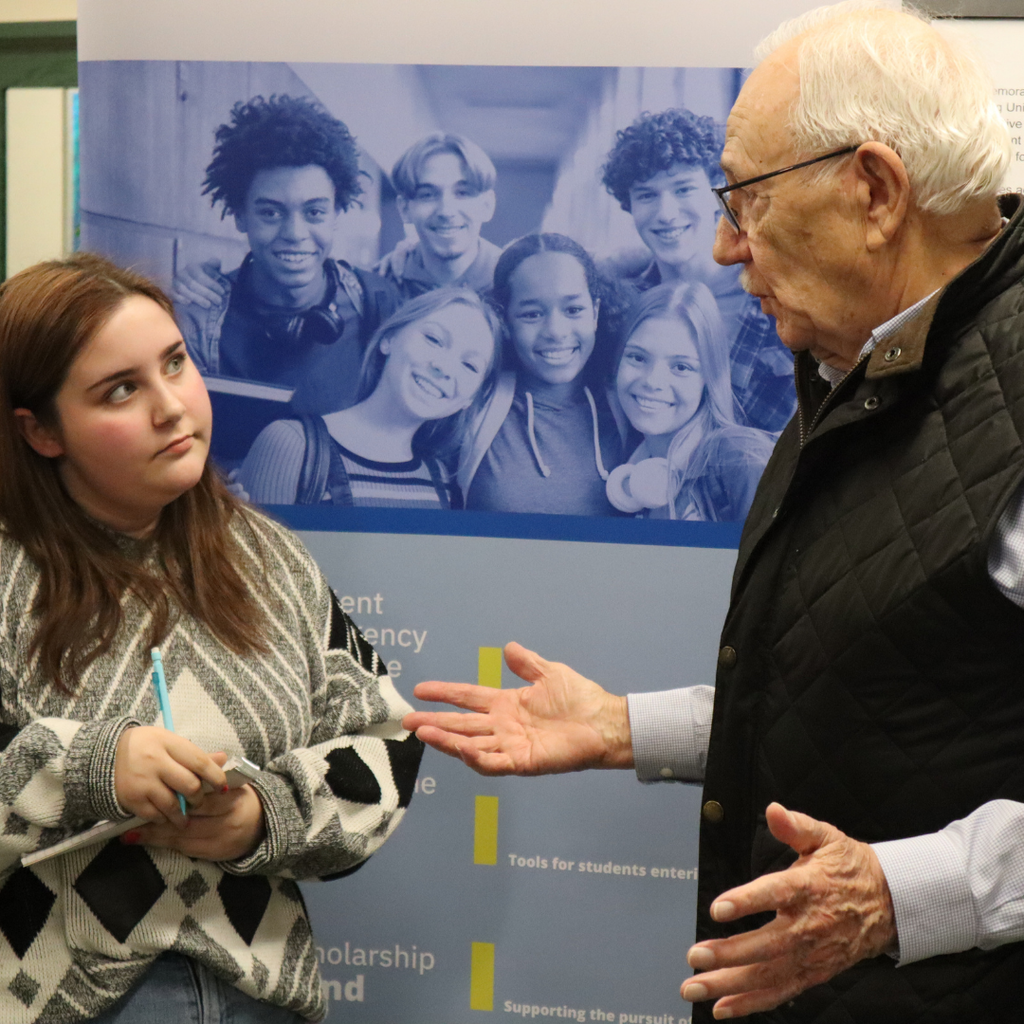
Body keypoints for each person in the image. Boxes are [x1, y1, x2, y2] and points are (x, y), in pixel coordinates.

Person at [404, 3, 1024, 1021]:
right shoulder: (861, 368)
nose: (725, 248)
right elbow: (859, 687)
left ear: (872, 191)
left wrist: (896, 897)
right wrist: (619, 726)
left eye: (746, 201)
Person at [0, 252, 421, 1023]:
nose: (172, 406)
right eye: (120, 390)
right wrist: (83, 767)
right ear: (41, 431)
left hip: (259, 996)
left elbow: (387, 743)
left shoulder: (270, 557)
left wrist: (266, 815)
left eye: (175, 363)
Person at [173, 94, 400, 416]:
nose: (295, 233)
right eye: (270, 213)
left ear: (337, 213)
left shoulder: (379, 304)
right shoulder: (198, 319)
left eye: (315, 212)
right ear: (240, 216)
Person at [601, 108, 796, 436]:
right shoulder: (622, 306)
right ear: (628, 206)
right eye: (647, 195)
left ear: (718, 190)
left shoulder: (781, 294)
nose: (666, 213)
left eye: (683, 189)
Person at [237, 287, 503, 507]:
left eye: (469, 366)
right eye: (433, 339)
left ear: (470, 398)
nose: (444, 367)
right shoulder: (291, 444)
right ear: (389, 338)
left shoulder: (442, 482)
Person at [458, 233, 627, 516]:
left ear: (595, 313)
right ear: (506, 322)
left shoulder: (629, 406)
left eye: (573, 310)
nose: (556, 331)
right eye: (532, 314)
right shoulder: (472, 406)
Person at [606, 281, 773, 521]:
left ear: (709, 377)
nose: (653, 381)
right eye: (637, 357)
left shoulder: (741, 457)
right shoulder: (631, 467)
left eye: (681, 367)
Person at [375, 133, 501, 301]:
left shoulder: (512, 282)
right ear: (404, 209)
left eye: (462, 193)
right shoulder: (378, 287)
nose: (446, 211)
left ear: (487, 205)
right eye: (427, 195)